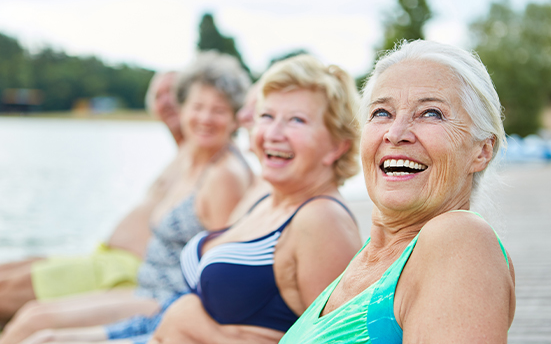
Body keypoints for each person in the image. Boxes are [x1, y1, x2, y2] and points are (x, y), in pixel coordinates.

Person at [21, 54, 365, 344]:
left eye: (297, 120)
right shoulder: (271, 198)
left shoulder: (322, 221)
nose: (273, 134)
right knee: (43, 338)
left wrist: (196, 328)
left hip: (173, 329)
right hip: (153, 329)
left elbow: (333, 339)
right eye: (266, 116)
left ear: (337, 145)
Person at [0, 51, 253, 344]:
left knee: (36, 321)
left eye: (219, 110)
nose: (206, 118)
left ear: (235, 118)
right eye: (198, 107)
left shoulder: (225, 176)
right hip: (144, 288)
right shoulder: (194, 158)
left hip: (167, 300)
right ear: (182, 109)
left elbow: (220, 276)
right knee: (32, 312)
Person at [280, 40, 516, 343]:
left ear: (482, 151)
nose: (395, 133)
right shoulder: (362, 264)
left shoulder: (460, 238)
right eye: (381, 113)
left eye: (431, 113)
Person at [0, 70, 182, 323]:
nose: (166, 102)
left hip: (122, 271)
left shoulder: (210, 160)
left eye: (174, 93)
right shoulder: (181, 156)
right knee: (8, 270)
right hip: (103, 258)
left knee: (4, 290)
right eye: (159, 95)